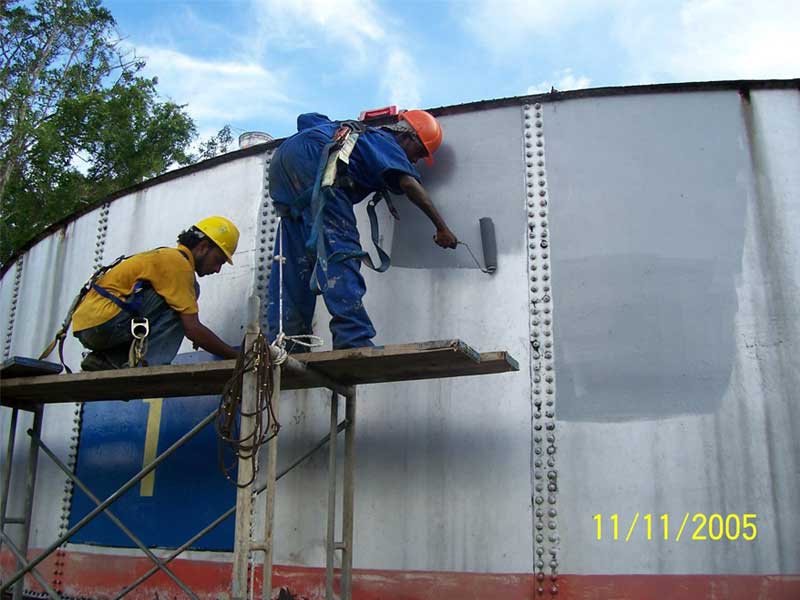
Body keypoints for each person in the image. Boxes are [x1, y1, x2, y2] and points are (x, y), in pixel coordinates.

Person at [267, 110, 457, 351]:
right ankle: (352, 336)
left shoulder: (353, 133)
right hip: (318, 164)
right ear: (408, 137)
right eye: (419, 153)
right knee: (341, 249)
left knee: (293, 264)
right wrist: (442, 228)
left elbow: (305, 118)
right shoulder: (385, 141)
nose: (415, 161)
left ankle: (287, 342)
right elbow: (409, 183)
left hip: (284, 164)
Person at [72, 216, 240, 371]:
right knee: (185, 301)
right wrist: (237, 357)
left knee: (179, 299)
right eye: (218, 260)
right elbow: (193, 329)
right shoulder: (179, 265)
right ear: (203, 247)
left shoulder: (166, 256)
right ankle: (148, 364)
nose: (218, 269)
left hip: (89, 325)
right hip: (105, 322)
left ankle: (106, 360)